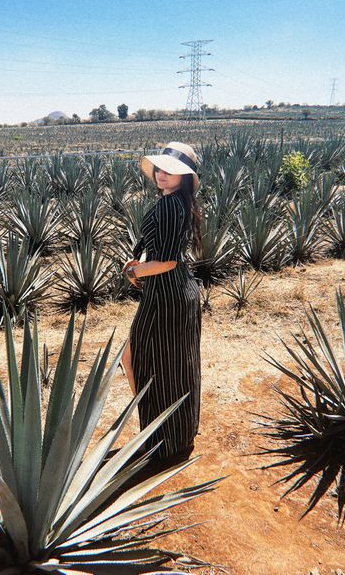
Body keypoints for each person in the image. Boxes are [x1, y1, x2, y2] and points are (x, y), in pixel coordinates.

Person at [122, 141, 202, 466]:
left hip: (165, 294)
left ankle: (157, 440)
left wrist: (134, 270)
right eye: (159, 168)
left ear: (184, 178)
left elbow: (167, 260)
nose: (161, 174)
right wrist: (138, 258)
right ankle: (172, 436)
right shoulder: (176, 202)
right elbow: (160, 247)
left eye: (171, 171)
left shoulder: (171, 206)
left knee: (136, 360)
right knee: (174, 366)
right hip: (175, 293)